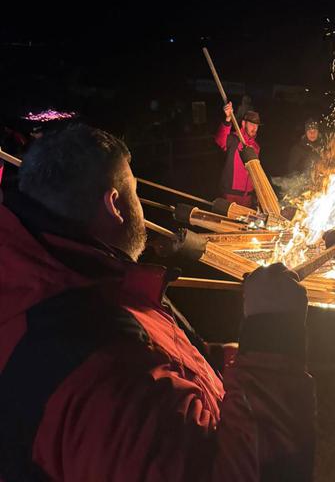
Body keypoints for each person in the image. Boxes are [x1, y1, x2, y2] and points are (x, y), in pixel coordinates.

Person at [0, 123, 316, 481]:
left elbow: (158, 361)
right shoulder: (101, 368)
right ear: (115, 204)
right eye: (134, 191)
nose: (139, 205)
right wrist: (272, 336)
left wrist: (215, 361)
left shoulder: (69, 281)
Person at [214, 102, 261, 208]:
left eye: (256, 125)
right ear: (243, 124)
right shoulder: (234, 139)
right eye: (251, 124)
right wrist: (228, 119)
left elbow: (255, 171)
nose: (254, 128)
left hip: (247, 196)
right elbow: (220, 140)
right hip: (231, 194)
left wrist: (257, 192)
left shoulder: (256, 147)